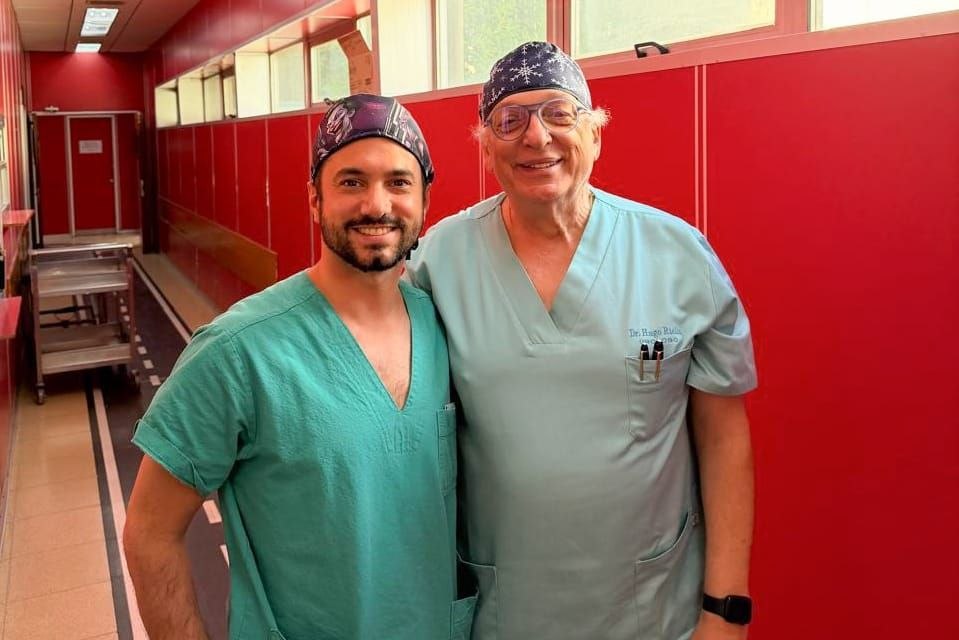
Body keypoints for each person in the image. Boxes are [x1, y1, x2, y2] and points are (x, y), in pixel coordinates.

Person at [407, 42, 757, 640]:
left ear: (595, 134)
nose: (536, 136)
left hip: (654, 609)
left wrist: (725, 609)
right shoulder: (439, 262)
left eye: (559, 113)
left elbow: (723, 437)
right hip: (507, 610)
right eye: (509, 120)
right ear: (486, 147)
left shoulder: (676, 255)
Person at [123, 94, 475, 640]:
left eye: (399, 182)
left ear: (425, 199)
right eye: (351, 182)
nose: (376, 204)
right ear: (315, 199)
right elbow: (150, 533)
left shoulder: (441, 326)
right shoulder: (238, 351)